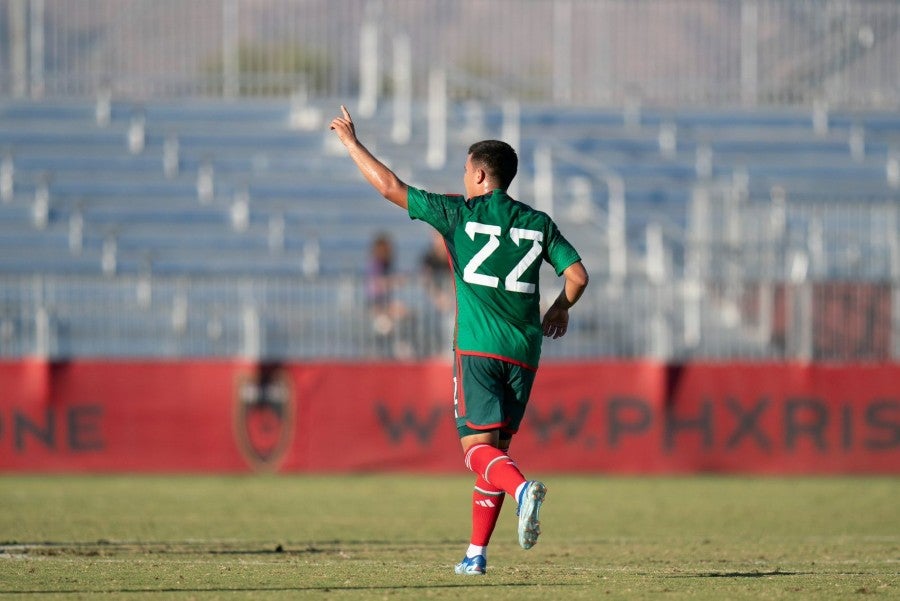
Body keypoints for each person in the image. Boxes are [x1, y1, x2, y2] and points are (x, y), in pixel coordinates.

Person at [330, 105, 589, 576]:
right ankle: (476, 555)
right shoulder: (538, 222)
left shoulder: (458, 213)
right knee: (495, 453)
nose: (463, 176)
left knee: (476, 451)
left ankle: (523, 491)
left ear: (482, 174)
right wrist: (560, 308)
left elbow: (390, 187)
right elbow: (577, 275)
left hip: (477, 348)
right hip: (525, 353)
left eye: (466, 170)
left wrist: (350, 143)